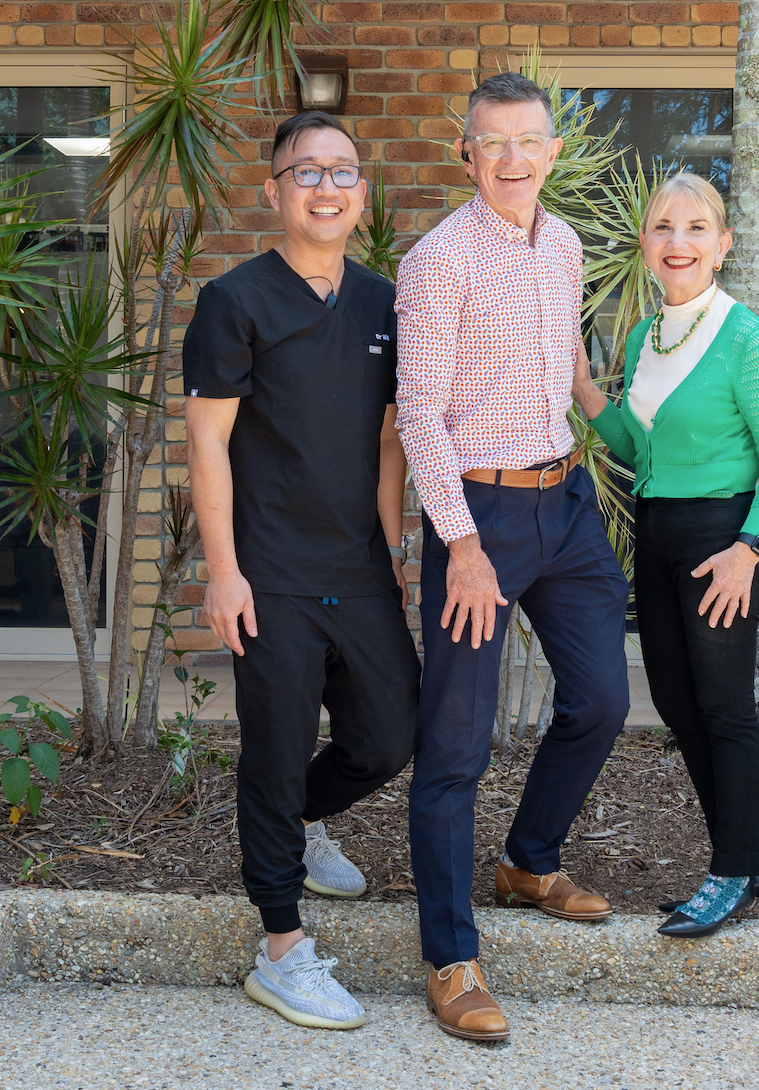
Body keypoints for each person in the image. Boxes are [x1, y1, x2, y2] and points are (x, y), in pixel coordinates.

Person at [395, 72, 631, 1042]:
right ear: (465, 155)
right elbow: (416, 415)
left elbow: (562, 352)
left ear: (552, 150)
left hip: (565, 502)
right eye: (491, 144)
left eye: (527, 141)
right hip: (478, 513)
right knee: (455, 744)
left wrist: (608, 419)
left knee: (603, 699)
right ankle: (452, 956)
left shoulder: (564, 243)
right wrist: (459, 545)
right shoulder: (436, 262)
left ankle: (529, 858)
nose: (511, 159)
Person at [182, 110, 420, 1029]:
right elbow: (207, 444)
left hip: (359, 567)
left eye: (344, 172)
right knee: (275, 753)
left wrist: (394, 549)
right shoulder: (235, 300)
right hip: (270, 572)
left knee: (390, 734)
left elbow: (392, 440)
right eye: (306, 171)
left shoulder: (384, 302)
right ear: (274, 191)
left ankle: (302, 825)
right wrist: (223, 571)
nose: (327, 186)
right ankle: (279, 949)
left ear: (362, 194)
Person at [572, 171, 759, 938]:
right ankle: (743, 859)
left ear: (723, 243)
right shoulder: (643, 336)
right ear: (646, 243)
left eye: (696, 228)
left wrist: (749, 548)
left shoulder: (746, 337)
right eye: (664, 227)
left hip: (722, 542)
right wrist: (587, 392)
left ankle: (734, 872)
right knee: (677, 704)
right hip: (657, 531)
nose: (679, 242)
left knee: (727, 709)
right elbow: (645, 452)